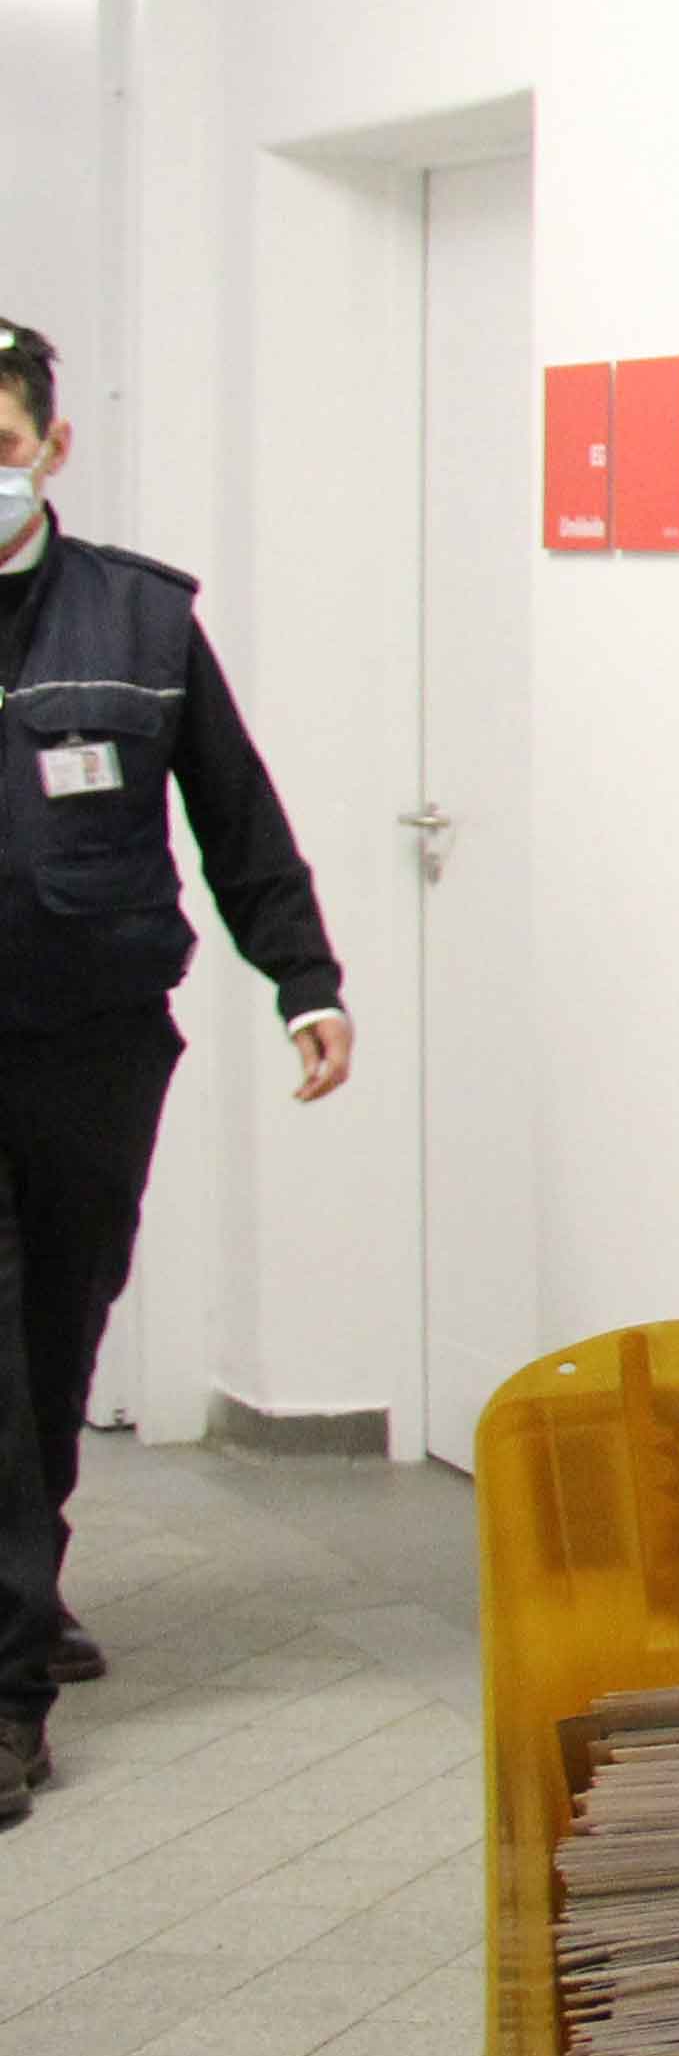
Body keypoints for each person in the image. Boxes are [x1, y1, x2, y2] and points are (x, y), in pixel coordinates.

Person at [0, 316, 352, 1830]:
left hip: (94, 1043)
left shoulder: (139, 622)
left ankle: (28, 1575)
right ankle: (8, 1691)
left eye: (1, 444)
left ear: (51, 449)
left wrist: (304, 979)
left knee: (60, 1324)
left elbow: (235, 813)